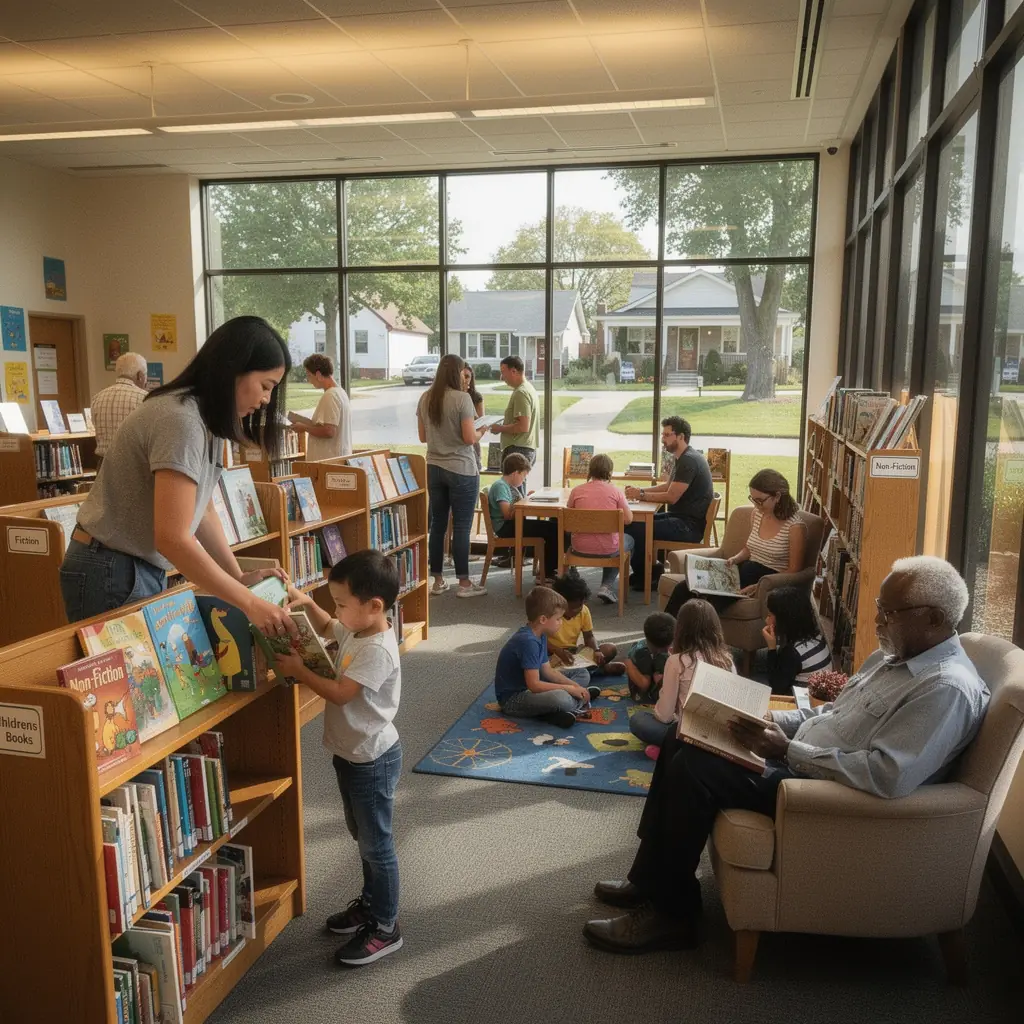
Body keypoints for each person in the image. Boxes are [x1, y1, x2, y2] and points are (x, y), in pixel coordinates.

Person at [583, 556, 990, 954]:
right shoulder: (893, 660)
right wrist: (763, 718)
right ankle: (648, 879)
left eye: (890, 612)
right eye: (880, 608)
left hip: (820, 791)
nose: (878, 620)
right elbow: (830, 712)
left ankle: (673, 916)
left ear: (934, 619)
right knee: (681, 734)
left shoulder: (944, 689)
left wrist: (789, 749)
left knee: (694, 764)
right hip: (797, 760)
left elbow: (886, 774)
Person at [59, 316, 297, 639]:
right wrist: (249, 603)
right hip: (111, 568)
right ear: (234, 369)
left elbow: (203, 511)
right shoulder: (181, 419)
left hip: (130, 566)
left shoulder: (206, 418)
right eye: (266, 386)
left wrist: (239, 577)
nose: (266, 400)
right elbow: (173, 537)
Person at [277, 550, 404, 966]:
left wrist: (300, 670)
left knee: (376, 844)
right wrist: (304, 600)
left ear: (374, 607)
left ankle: (386, 927)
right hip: (350, 753)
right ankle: (369, 905)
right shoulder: (356, 627)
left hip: (371, 758)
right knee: (361, 835)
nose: (336, 612)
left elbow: (339, 692)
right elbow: (329, 624)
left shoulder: (378, 649)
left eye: (342, 603)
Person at [663, 468, 807, 616]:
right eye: (753, 499)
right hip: (742, 571)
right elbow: (750, 548)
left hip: (766, 579)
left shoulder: (795, 527)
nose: (756, 505)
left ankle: (691, 636)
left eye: (760, 500)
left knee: (706, 604)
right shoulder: (757, 514)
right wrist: (735, 558)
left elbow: (793, 571)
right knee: (683, 588)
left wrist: (759, 585)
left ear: (777, 496)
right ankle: (663, 636)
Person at [416, 353, 489, 598]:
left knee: (437, 525)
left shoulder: (426, 398)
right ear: (456, 373)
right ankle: (464, 584)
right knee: (461, 526)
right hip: (461, 468)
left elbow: (423, 437)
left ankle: (437, 581)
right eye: (461, 372)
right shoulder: (462, 399)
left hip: (434, 466)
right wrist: (482, 430)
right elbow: (469, 438)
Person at [629, 600, 735, 753]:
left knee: (638, 719)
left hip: (689, 735)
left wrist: (663, 689)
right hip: (721, 737)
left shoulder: (676, 660)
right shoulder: (727, 659)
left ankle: (671, 750)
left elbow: (664, 715)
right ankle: (675, 751)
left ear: (680, 629)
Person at [623, 417, 713, 591]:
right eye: (662, 435)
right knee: (637, 522)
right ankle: (649, 572)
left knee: (635, 527)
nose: (662, 439)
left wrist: (641, 494)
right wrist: (640, 491)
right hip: (682, 518)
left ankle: (647, 575)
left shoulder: (689, 461)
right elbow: (668, 486)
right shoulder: (685, 457)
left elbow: (671, 497)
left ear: (680, 436)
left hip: (688, 526)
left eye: (666, 435)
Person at [494, 586, 601, 729]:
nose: (561, 622)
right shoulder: (528, 642)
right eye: (558, 619)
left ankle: (563, 706)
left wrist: (575, 686)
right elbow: (534, 685)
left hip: (530, 689)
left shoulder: (541, 634)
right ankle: (571, 705)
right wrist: (569, 689)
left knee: (582, 673)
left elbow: (548, 671)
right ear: (543, 619)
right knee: (562, 699)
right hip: (513, 700)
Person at [566, 453, 634, 605]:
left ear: (590, 470)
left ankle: (572, 573)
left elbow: (568, 516)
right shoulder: (616, 492)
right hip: (608, 550)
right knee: (628, 540)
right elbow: (628, 519)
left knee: (573, 536)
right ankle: (607, 585)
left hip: (580, 547)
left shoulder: (576, 491)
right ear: (609, 472)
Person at [488, 452, 559, 583]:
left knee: (553, 526)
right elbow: (507, 514)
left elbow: (514, 507)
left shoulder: (509, 486)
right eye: (524, 475)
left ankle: (549, 570)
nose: (524, 479)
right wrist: (525, 501)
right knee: (553, 530)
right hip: (506, 527)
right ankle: (547, 573)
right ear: (516, 473)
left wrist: (527, 498)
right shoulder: (501, 486)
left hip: (512, 524)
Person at [545, 573, 624, 676]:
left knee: (610, 649)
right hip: (550, 654)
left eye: (581, 605)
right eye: (573, 608)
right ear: (559, 603)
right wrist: (558, 651)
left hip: (573, 653)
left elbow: (589, 636)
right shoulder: (548, 613)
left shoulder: (584, 611)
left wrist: (596, 650)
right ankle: (596, 670)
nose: (578, 610)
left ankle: (584, 670)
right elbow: (538, 639)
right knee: (540, 663)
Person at [761, 586, 832, 695]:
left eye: (770, 615)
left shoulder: (792, 653)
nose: (767, 620)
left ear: (783, 620)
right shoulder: (816, 637)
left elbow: (776, 687)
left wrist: (771, 648)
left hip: (799, 702)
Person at [288, 353, 352, 460]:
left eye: (309, 375)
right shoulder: (341, 393)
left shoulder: (330, 395)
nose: (309, 380)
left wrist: (304, 428)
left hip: (329, 460)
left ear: (318, 374)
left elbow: (329, 431)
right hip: (338, 457)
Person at [489, 355, 538, 494]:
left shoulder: (521, 393)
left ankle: (514, 517)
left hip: (518, 449)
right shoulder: (528, 388)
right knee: (518, 493)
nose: (501, 377)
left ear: (514, 371)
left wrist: (499, 428)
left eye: (503, 371)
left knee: (513, 495)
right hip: (526, 447)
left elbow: (523, 426)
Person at [91, 352, 148, 463]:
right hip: (133, 465)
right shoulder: (143, 398)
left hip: (103, 465)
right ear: (139, 376)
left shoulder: (97, 398)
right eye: (146, 376)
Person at [623, 611, 676, 703]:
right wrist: (629, 666)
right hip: (644, 695)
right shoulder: (643, 654)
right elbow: (644, 684)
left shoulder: (659, 652)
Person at [461, 363, 485, 473]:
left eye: (467, 376)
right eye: (462, 376)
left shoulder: (476, 397)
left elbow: (482, 422)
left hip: (473, 442)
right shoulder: (452, 398)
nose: (465, 380)